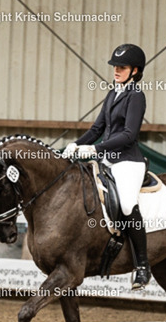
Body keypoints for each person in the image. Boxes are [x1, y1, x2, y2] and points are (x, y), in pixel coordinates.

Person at [62, 43, 150, 290]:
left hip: (127, 161)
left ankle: (142, 266)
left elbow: (129, 135)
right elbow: (97, 129)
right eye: (115, 67)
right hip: (106, 159)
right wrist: (76, 144)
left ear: (135, 70)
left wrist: (96, 149)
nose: (116, 70)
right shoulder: (113, 93)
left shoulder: (136, 96)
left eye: (122, 67)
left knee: (127, 204)